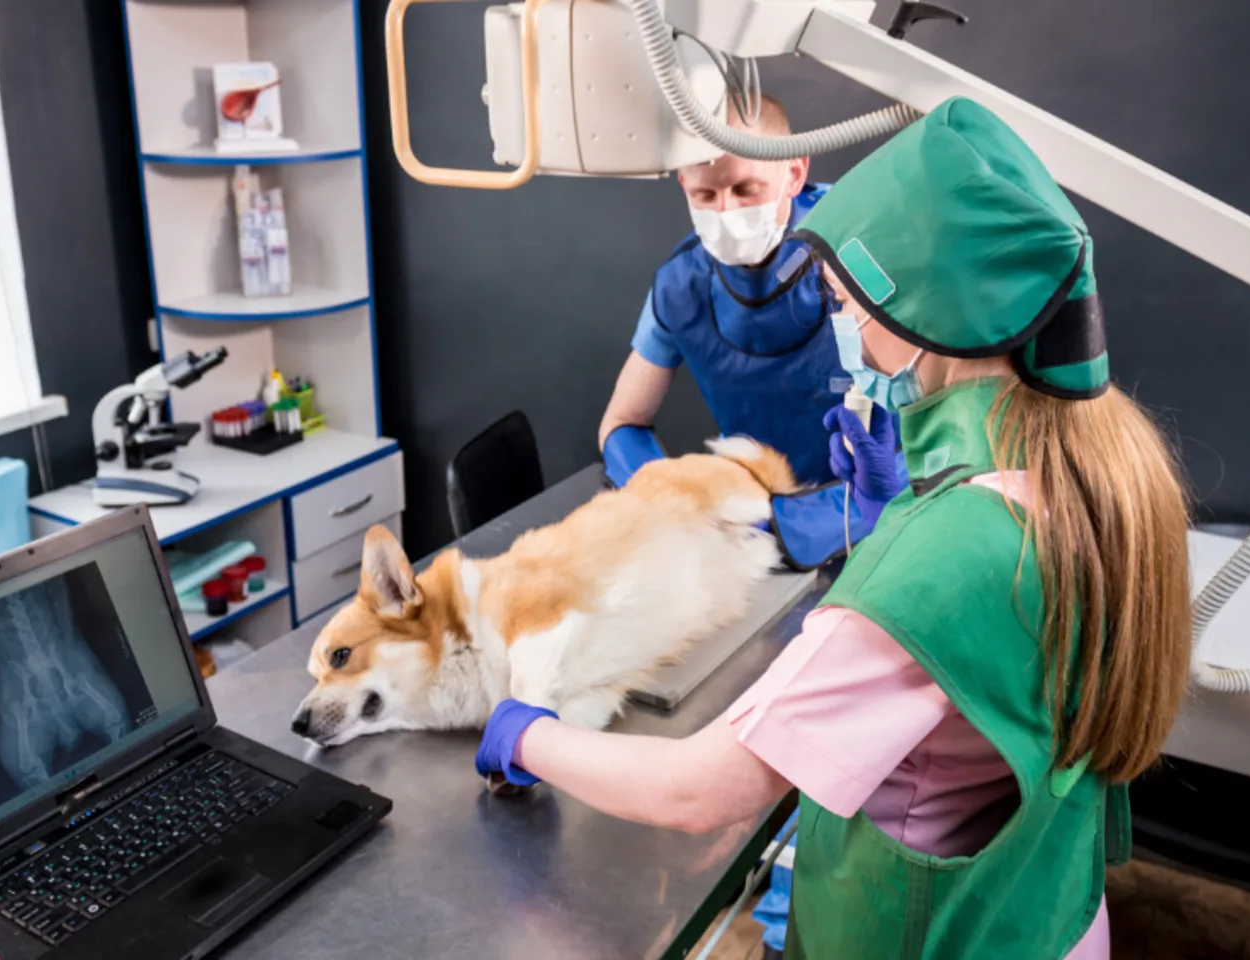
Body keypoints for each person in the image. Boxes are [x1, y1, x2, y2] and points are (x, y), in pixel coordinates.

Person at [478, 97, 1195, 958]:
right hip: (1045, 919)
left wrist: (527, 732)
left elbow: (700, 793)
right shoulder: (1102, 473)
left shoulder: (942, 559)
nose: (846, 332)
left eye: (846, 308)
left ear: (918, 318)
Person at [599, 94, 904, 570]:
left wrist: (815, 519)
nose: (726, 212)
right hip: (753, 528)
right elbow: (621, 424)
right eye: (705, 195)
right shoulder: (682, 286)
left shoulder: (861, 252)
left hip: (882, 518)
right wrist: (676, 501)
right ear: (683, 182)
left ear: (794, 175)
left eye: (746, 190)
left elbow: (957, 419)